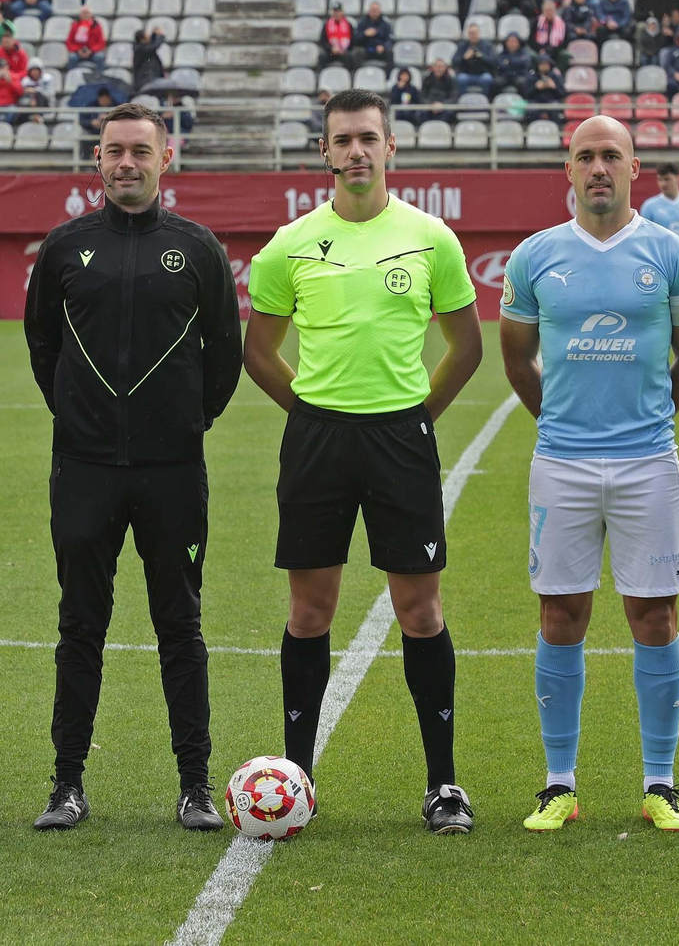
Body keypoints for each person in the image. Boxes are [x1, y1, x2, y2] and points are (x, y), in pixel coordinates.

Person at [243, 88, 481, 835]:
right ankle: (295, 781)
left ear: (390, 147)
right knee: (310, 610)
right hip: (318, 442)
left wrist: (415, 418)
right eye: (342, 139)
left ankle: (442, 784)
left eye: (368, 138)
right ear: (324, 151)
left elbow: (466, 346)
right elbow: (260, 351)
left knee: (420, 609)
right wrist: (315, 414)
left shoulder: (430, 237)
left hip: (400, 439)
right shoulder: (290, 244)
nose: (356, 152)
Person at [24, 101, 241, 831]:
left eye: (139, 152)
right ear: (97, 159)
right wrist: (82, 421)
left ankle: (195, 787)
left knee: (180, 625)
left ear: (164, 159)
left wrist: (181, 425)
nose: (126, 162)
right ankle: (67, 784)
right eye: (114, 150)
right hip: (83, 469)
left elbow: (224, 357)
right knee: (79, 625)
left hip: (172, 470)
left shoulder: (199, 247)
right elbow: (42, 349)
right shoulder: (63, 247)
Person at [500, 115, 679, 835]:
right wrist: (559, 421)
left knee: (654, 614)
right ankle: (559, 782)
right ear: (568, 168)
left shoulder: (673, 255)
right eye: (585, 155)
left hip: (649, 462)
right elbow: (517, 357)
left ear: (634, 166)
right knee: (562, 614)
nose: (597, 167)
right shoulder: (534, 256)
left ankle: (661, 782)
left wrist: (646, 423)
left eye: (610, 155)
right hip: (561, 461)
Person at [453, 23, 497, 97]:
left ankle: (485, 101)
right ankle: (463, 102)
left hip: (482, 74)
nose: (473, 35)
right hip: (466, 74)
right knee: (461, 79)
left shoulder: (486, 45)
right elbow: (454, 61)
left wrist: (481, 56)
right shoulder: (463, 46)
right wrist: (464, 58)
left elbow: (494, 62)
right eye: (471, 33)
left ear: (478, 33)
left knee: (487, 79)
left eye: (474, 33)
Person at [64, 5, 106, 73]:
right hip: (78, 51)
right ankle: (71, 75)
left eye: (87, 13)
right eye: (83, 13)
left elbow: (101, 43)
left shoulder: (96, 26)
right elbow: (69, 42)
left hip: (92, 52)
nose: (85, 15)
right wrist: (78, 50)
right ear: (80, 15)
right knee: (72, 57)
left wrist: (91, 51)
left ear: (91, 15)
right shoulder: (75, 25)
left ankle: (99, 77)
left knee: (100, 57)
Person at [522, 51, 563, 121]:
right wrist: (536, 88)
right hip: (535, 101)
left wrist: (554, 87)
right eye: (542, 64)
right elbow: (526, 94)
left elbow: (562, 93)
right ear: (537, 66)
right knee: (532, 110)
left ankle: (556, 129)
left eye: (546, 64)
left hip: (551, 101)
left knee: (555, 109)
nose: (544, 67)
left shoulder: (555, 77)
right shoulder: (532, 77)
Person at [352, 1, 392, 69]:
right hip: (366, 49)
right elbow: (356, 39)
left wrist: (383, 46)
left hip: (380, 50)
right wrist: (365, 34)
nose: (374, 12)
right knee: (357, 53)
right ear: (369, 11)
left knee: (390, 53)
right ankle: (357, 74)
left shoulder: (385, 25)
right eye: (372, 10)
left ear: (380, 11)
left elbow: (390, 39)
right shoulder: (362, 23)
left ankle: (388, 76)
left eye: (376, 10)